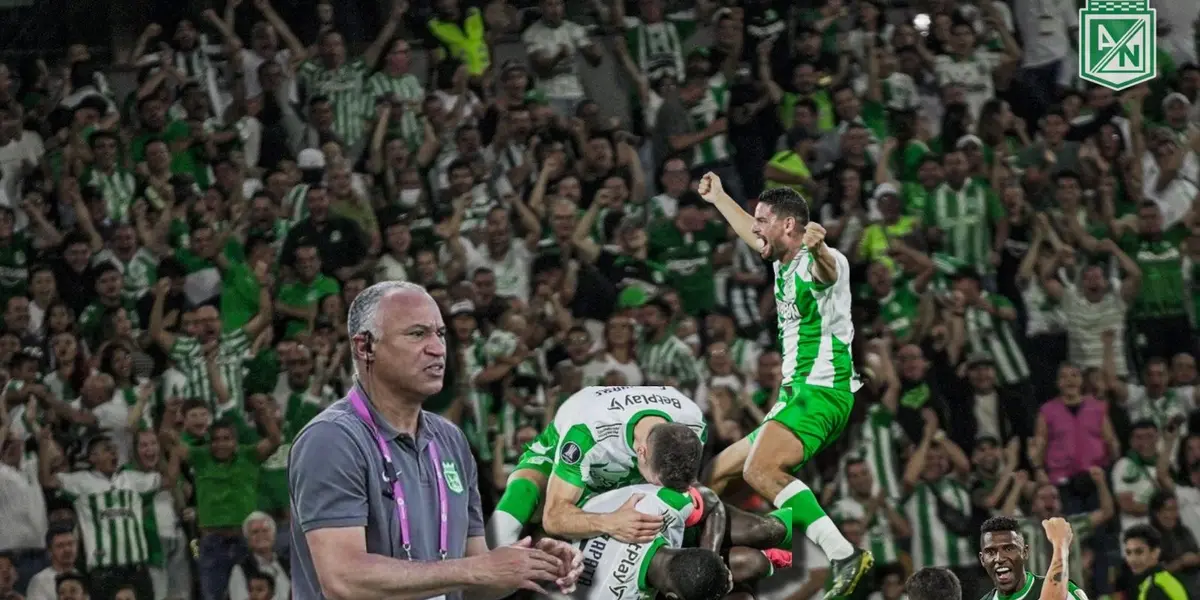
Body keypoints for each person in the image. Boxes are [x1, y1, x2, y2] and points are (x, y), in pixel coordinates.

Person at [287, 281, 584, 599]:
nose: (438, 348)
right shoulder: (332, 440)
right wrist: (475, 570)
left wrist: (534, 564)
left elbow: (475, 583)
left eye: (440, 334)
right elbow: (344, 580)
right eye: (417, 334)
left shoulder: (451, 441)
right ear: (364, 347)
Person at [698, 172, 872, 596]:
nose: (755, 228)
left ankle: (842, 554)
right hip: (796, 396)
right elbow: (748, 235)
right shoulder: (780, 259)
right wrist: (720, 196)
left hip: (823, 392)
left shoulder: (820, 259)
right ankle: (745, 554)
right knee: (713, 479)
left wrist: (819, 248)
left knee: (760, 469)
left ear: (788, 225)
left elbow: (827, 271)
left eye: (763, 220)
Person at [488, 386, 708, 547]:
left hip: (621, 464)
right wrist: (610, 522)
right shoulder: (586, 433)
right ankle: (480, 569)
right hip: (569, 448)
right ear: (641, 453)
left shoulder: (694, 424)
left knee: (681, 505)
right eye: (656, 482)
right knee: (522, 494)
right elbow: (553, 517)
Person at [565, 483, 792, 600]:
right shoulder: (611, 594)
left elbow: (710, 500)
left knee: (766, 531)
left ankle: (802, 524)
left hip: (690, 537)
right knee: (754, 565)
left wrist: (710, 555)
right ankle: (769, 558)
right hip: (674, 571)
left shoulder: (656, 506)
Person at [977, 516, 1088, 600]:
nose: (999, 558)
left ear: (1024, 552)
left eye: (1008, 549)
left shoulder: (1064, 591)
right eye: (990, 552)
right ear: (982, 559)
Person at [1122, 525, 1191, 600]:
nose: (1132, 559)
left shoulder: (1155, 588)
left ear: (1155, 553)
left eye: (1139, 552)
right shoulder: (1161, 579)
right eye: (1128, 553)